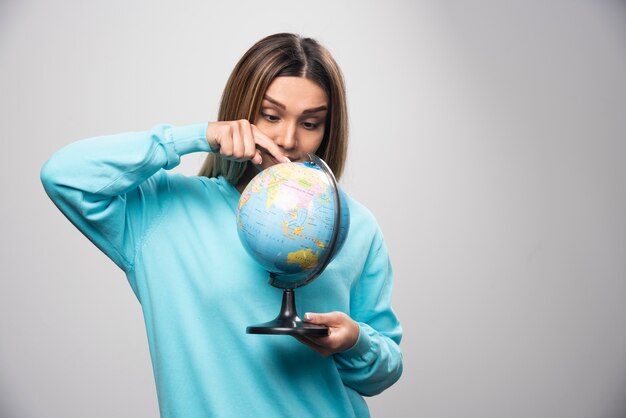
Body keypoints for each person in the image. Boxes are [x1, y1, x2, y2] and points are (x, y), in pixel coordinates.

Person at [41, 33, 403, 418]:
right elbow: (64, 175)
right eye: (271, 116)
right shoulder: (165, 213)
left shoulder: (355, 226)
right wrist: (198, 136)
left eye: (310, 122)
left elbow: (382, 372)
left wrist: (355, 342)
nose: (288, 139)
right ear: (242, 113)